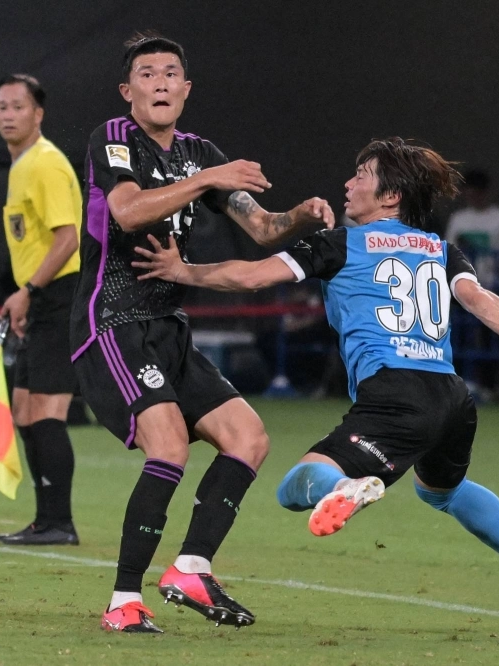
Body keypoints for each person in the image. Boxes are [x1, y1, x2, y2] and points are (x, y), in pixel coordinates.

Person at [133, 137, 499, 640]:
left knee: (295, 487)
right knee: (441, 491)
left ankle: (345, 487)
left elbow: (251, 277)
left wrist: (182, 271)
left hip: (394, 393)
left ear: (391, 195)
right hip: (451, 396)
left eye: (362, 175)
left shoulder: (342, 244)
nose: (349, 183)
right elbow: (481, 301)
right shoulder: (441, 249)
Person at [71, 33, 334, 633]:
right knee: (170, 447)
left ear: (186, 90)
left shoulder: (199, 152)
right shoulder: (113, 138)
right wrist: (208, 176)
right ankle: (122, 602)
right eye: (147, 74)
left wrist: (301, 216)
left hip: (167, 326)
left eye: (171, 74)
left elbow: (263, 229)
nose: (160, 82)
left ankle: (191, 567)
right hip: (112, 320)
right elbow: (129, 212)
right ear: (127, 90)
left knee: (249, 437)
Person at [0, 73, 84, 546]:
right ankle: (44, 519)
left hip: (60, 294)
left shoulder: (45, 164)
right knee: (26, 411)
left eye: (17, 107)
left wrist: (28, 289)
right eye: (1, 107)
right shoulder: (23, 165)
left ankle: (60, 523)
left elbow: (68, 237)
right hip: (41, 296)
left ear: (38, 114)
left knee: (47, 411)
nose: (8, 115)